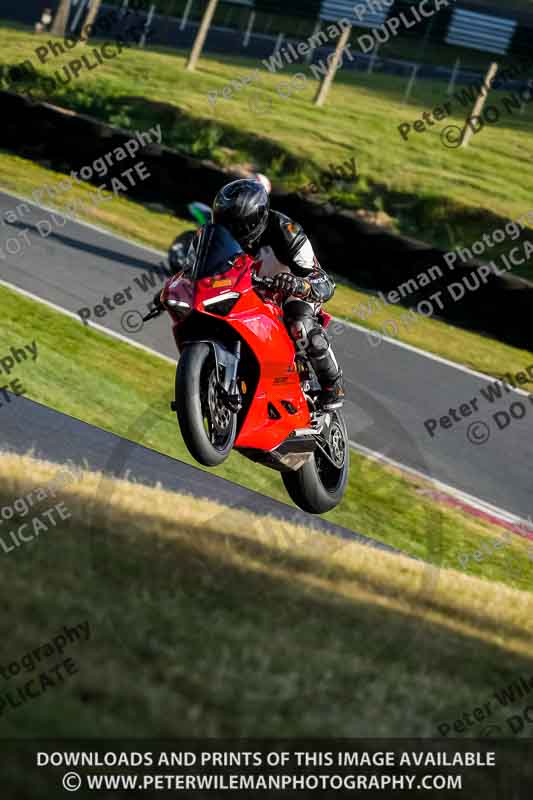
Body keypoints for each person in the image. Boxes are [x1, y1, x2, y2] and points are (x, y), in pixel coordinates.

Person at [166, 179, 344, 411]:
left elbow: (323, 281)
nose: (230, 232)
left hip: (290, 290)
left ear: (254, 219)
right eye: (224, 225)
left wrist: (301, 286)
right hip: (249, 290)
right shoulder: (214, 236)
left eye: (235, 226)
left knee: (299, 322)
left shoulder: (285, 231)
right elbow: (195, 271)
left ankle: (332, 385)